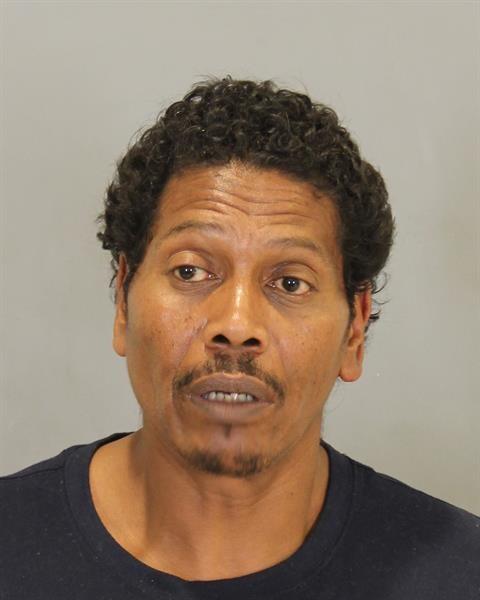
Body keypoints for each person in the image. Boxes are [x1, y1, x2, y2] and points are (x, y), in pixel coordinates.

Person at [1, 77, 478, 599]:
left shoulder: (459, 575)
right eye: (190, 271)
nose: (236, 324)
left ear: (354, 330)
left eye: (290, 283)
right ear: (123, 300)